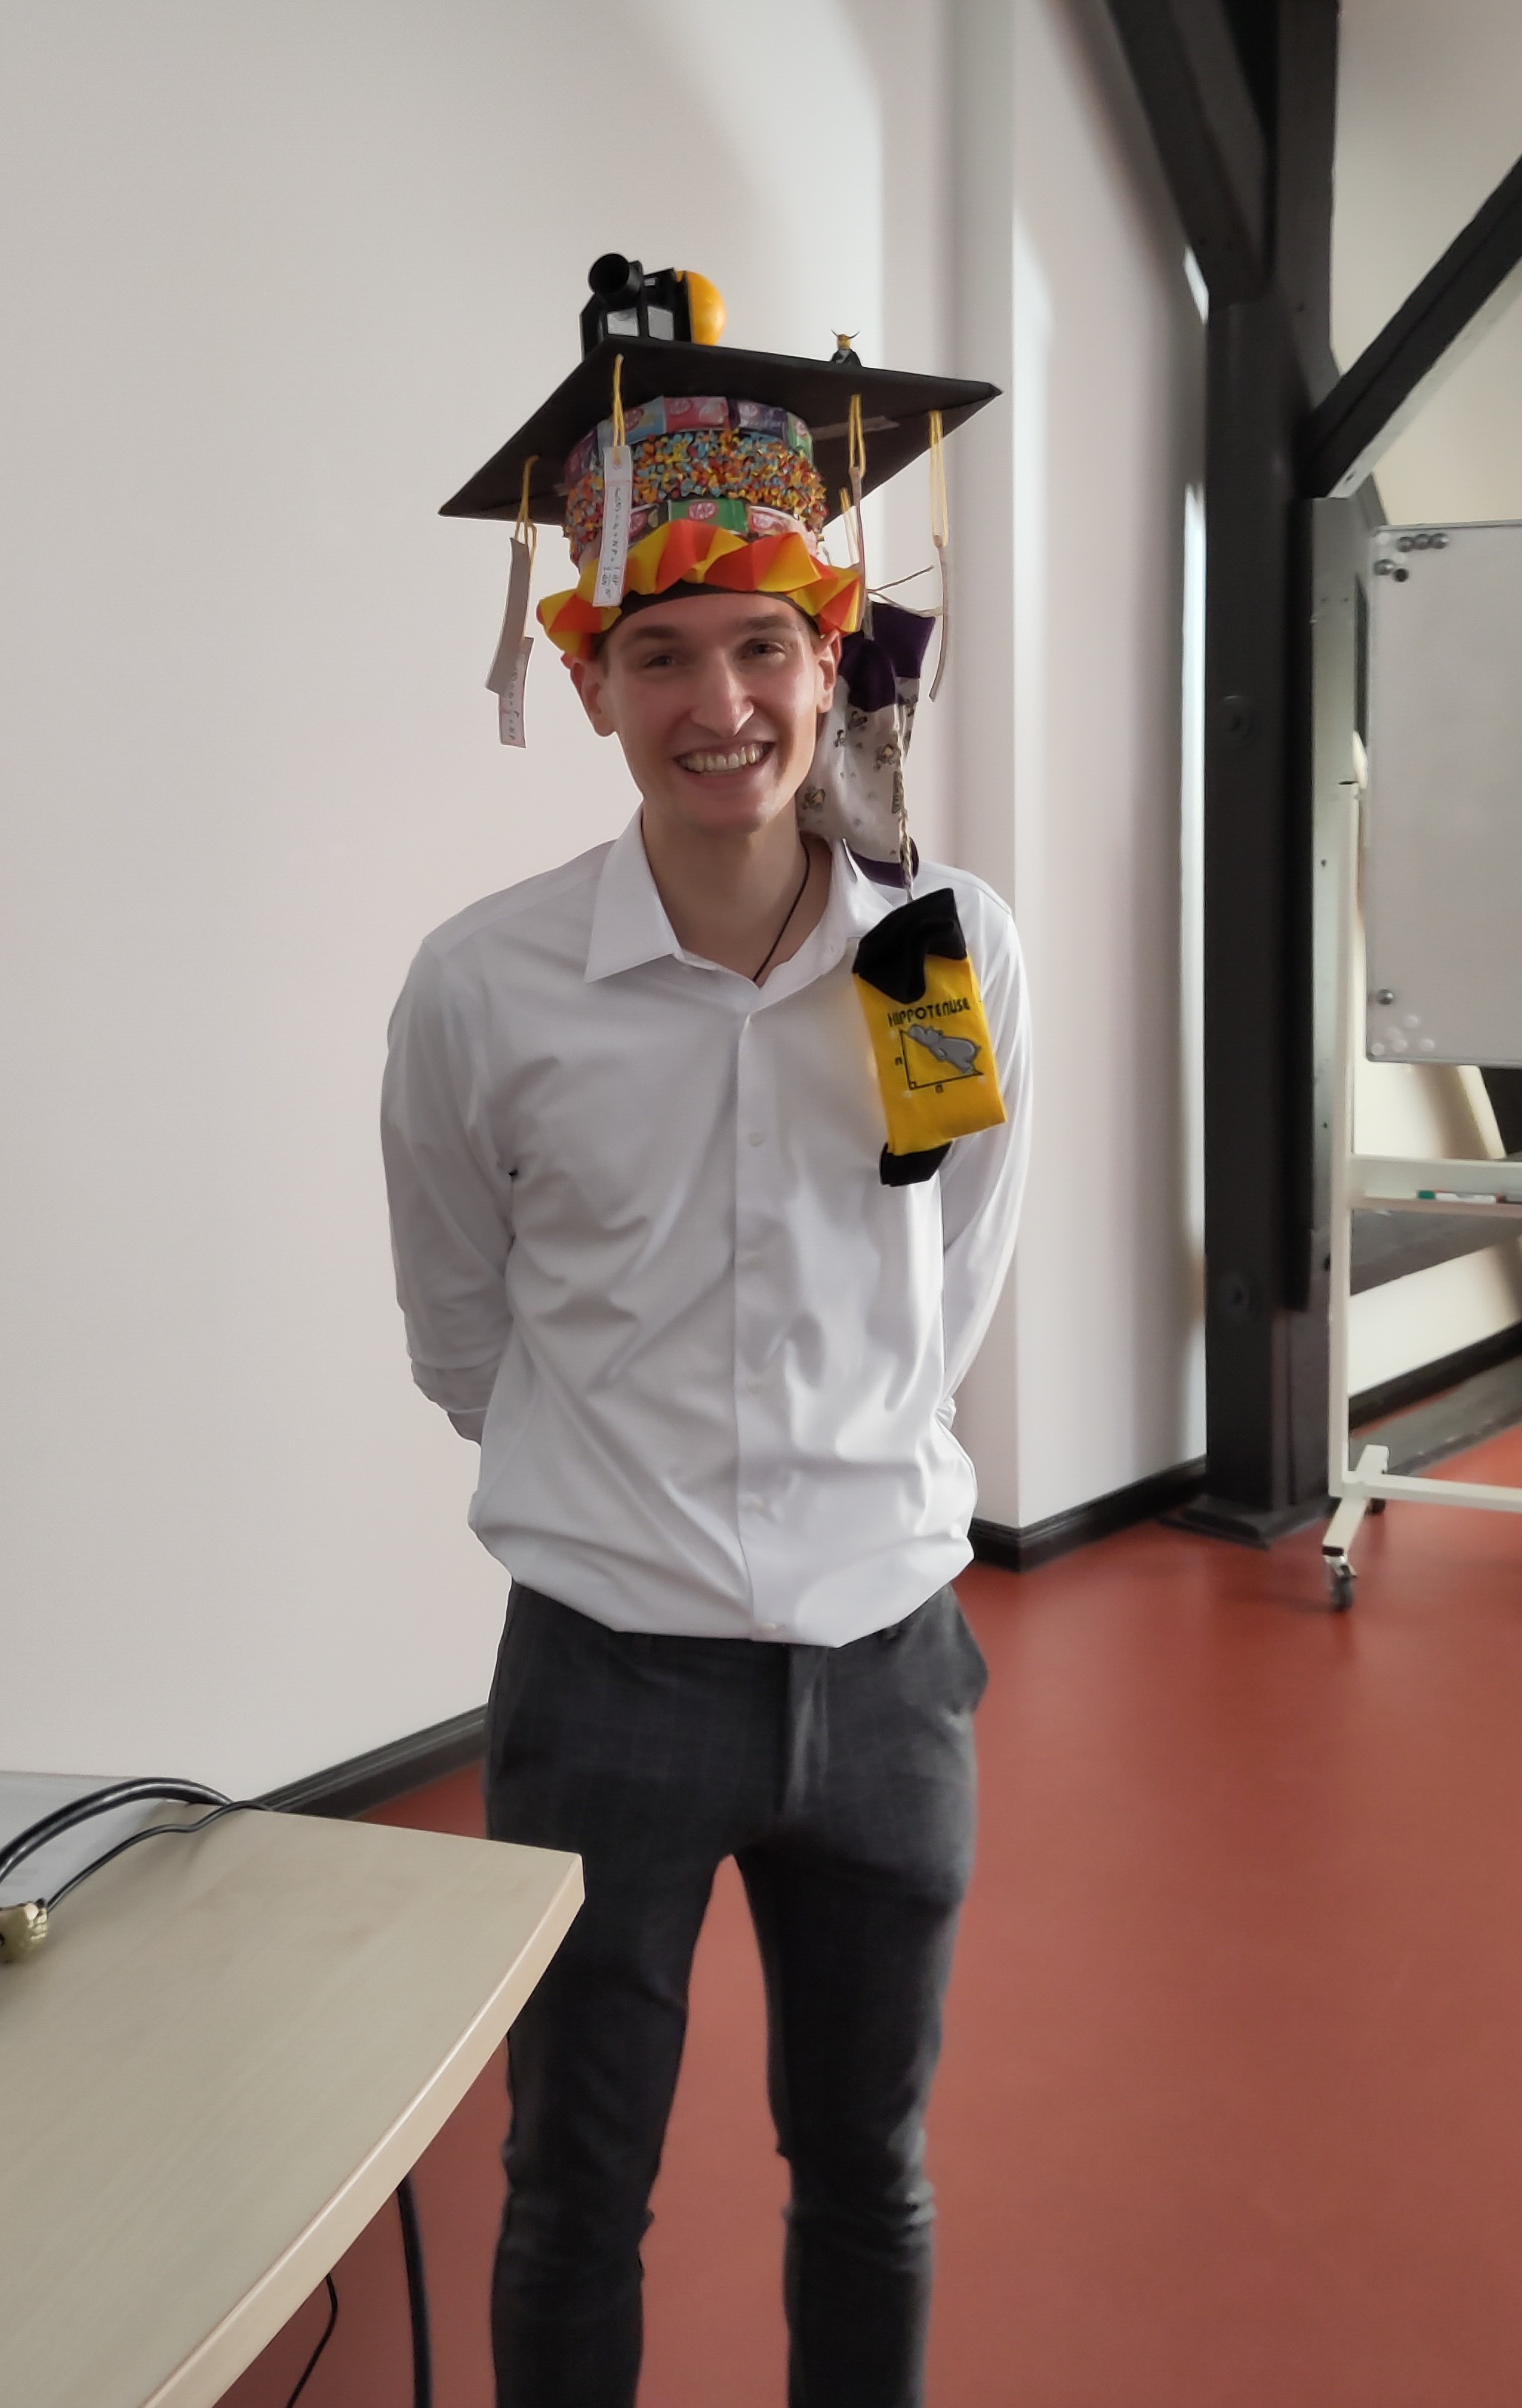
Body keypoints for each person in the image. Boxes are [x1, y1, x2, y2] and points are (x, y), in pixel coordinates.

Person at [381, 267, 1033, 2408]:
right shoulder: (488, 993)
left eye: (763, 644)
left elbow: (962, 1269)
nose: (721, 703)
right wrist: (621, 1491)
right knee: (575, 2185)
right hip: (605, 1670)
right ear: (589, 682)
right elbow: (462, 1323)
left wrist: (856, 1482)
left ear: (830, 653)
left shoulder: (938, 954)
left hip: (888, 1669)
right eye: (660, 653)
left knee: (874, 2169)